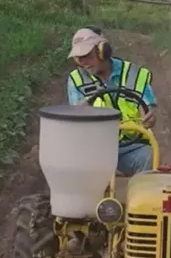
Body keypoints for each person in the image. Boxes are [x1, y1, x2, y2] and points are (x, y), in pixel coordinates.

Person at [65, 27, 158, 176]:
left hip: (132, 146)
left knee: (148, 156)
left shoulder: (135, 74)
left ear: (103, 51)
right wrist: (80, 112)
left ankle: (139, 197)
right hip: (96, 150)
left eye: (87, 56)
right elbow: (77, 123)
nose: (84, 63)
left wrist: (149, 117)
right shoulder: (76, 80)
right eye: (79, 58)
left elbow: (149, 112)